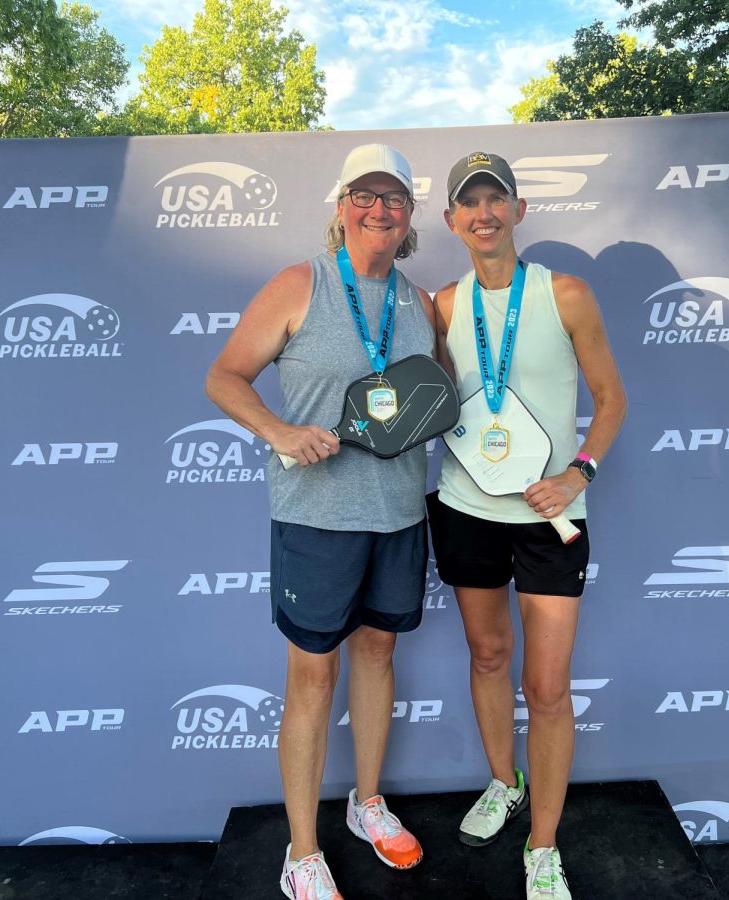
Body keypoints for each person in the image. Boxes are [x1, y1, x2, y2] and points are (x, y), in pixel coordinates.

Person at [206, 143, 435, 900]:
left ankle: (367, 803)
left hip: (400, 513)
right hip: (316, 518)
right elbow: (224, 375)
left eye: (393, 200)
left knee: (377, 657)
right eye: (364, 196)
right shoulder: (299, 284)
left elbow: (434, 398)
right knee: (312, 675)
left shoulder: (419, 301)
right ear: (341, 208)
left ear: (408, 219)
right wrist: (277, 432)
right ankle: (302, 849)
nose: (379, 210)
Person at [428, 151, 627, 899]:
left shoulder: (566, 294)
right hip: (465, 508)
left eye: (495, 199)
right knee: (487, 656)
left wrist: (580, 472)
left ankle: (542, 845)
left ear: (517, 210)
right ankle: (500, 782)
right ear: (451, 220)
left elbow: (611, 401)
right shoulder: (443, 306)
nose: (483, 213)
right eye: (468, 203)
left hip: (551, 520)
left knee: (546, 688)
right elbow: (433, 404)